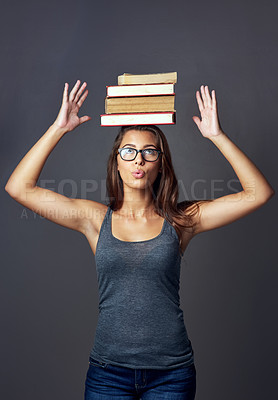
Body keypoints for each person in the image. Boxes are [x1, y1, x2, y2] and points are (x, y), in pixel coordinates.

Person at [5, 80, 275, 400]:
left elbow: (259, 193)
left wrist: (217, 136)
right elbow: (19, 187)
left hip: (171, 375)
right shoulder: (94, 220)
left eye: (149, 152)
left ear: (160, 164)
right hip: (107, 374)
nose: (139, 160)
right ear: (117, 162)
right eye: (129, 151)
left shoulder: (181, 220)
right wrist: (58, 128)